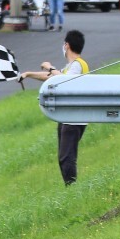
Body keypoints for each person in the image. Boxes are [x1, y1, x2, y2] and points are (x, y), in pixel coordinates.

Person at [19, 29, 89, 185]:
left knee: (66, 157)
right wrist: (28, 74)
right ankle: (70, 186)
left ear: (67, 45)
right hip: (66, 116)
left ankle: (72, 188)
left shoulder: (78, 65)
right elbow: (51, 77)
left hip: (74, 117)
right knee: (64, 156)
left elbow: (64, 79)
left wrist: (49, 66)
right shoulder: (71, 66)